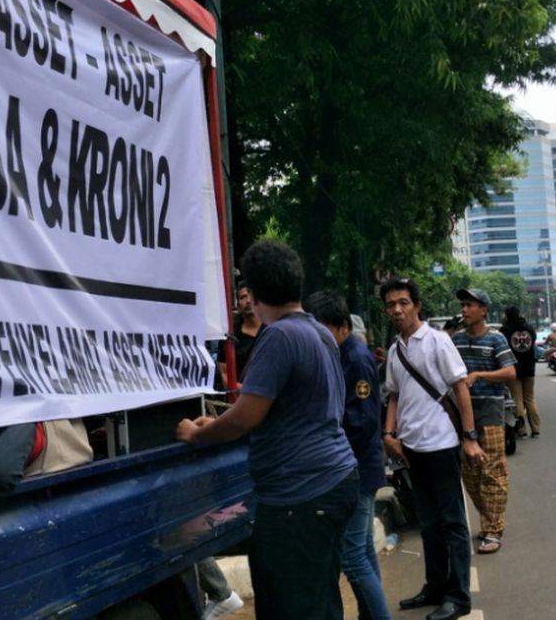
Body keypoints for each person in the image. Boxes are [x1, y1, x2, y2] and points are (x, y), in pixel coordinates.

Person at [175, 240, 357, 620]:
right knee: (320, 600)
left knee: (290, 605)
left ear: (254, 295)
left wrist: (196, 434)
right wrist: (224, 419)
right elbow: (282, 408)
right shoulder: (317, 332)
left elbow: (245, 418)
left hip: (299, 495)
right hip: (333, 480)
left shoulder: (278, 336)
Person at [381, 277, 483, 620]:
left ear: (416, 305)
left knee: (452, 522)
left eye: (403, 302)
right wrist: (388, 433)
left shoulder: (437, 341)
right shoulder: (395, 351)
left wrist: (469, 438)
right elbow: (394, 394)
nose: (397, 309)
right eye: (391, 304)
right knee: (428, 522)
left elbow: (460, 387)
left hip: (441, 443)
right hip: (410, 448)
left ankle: (459, 596)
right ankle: (435, 586)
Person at [303, 289, 391, 620]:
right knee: (363, 551)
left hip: (357, 469)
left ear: (342, 326)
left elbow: (364, 421)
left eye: (323, 330)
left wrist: (326, 432)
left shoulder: (355, 358)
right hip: (356, 467)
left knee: (352, 558)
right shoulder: (341, 353)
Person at [450, 288, 515, 555]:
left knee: (492, 470)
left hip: (490, 410)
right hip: (461, 414)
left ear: (484, 310)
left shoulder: (496, 339)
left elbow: (511, 372)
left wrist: (480, 375)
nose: (464, 310)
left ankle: (492, 529)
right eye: (463, 305)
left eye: (470, 305)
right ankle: (489, 519)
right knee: (469, 474)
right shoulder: (455, 340)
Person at [499, 306, 540, 438]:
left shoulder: (505, 330)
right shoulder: (529, 328)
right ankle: (536, 428)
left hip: (513, 368)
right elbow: (533, 341)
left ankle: (522, 430)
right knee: (530, 398)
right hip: (529, 367)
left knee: (518, 399)